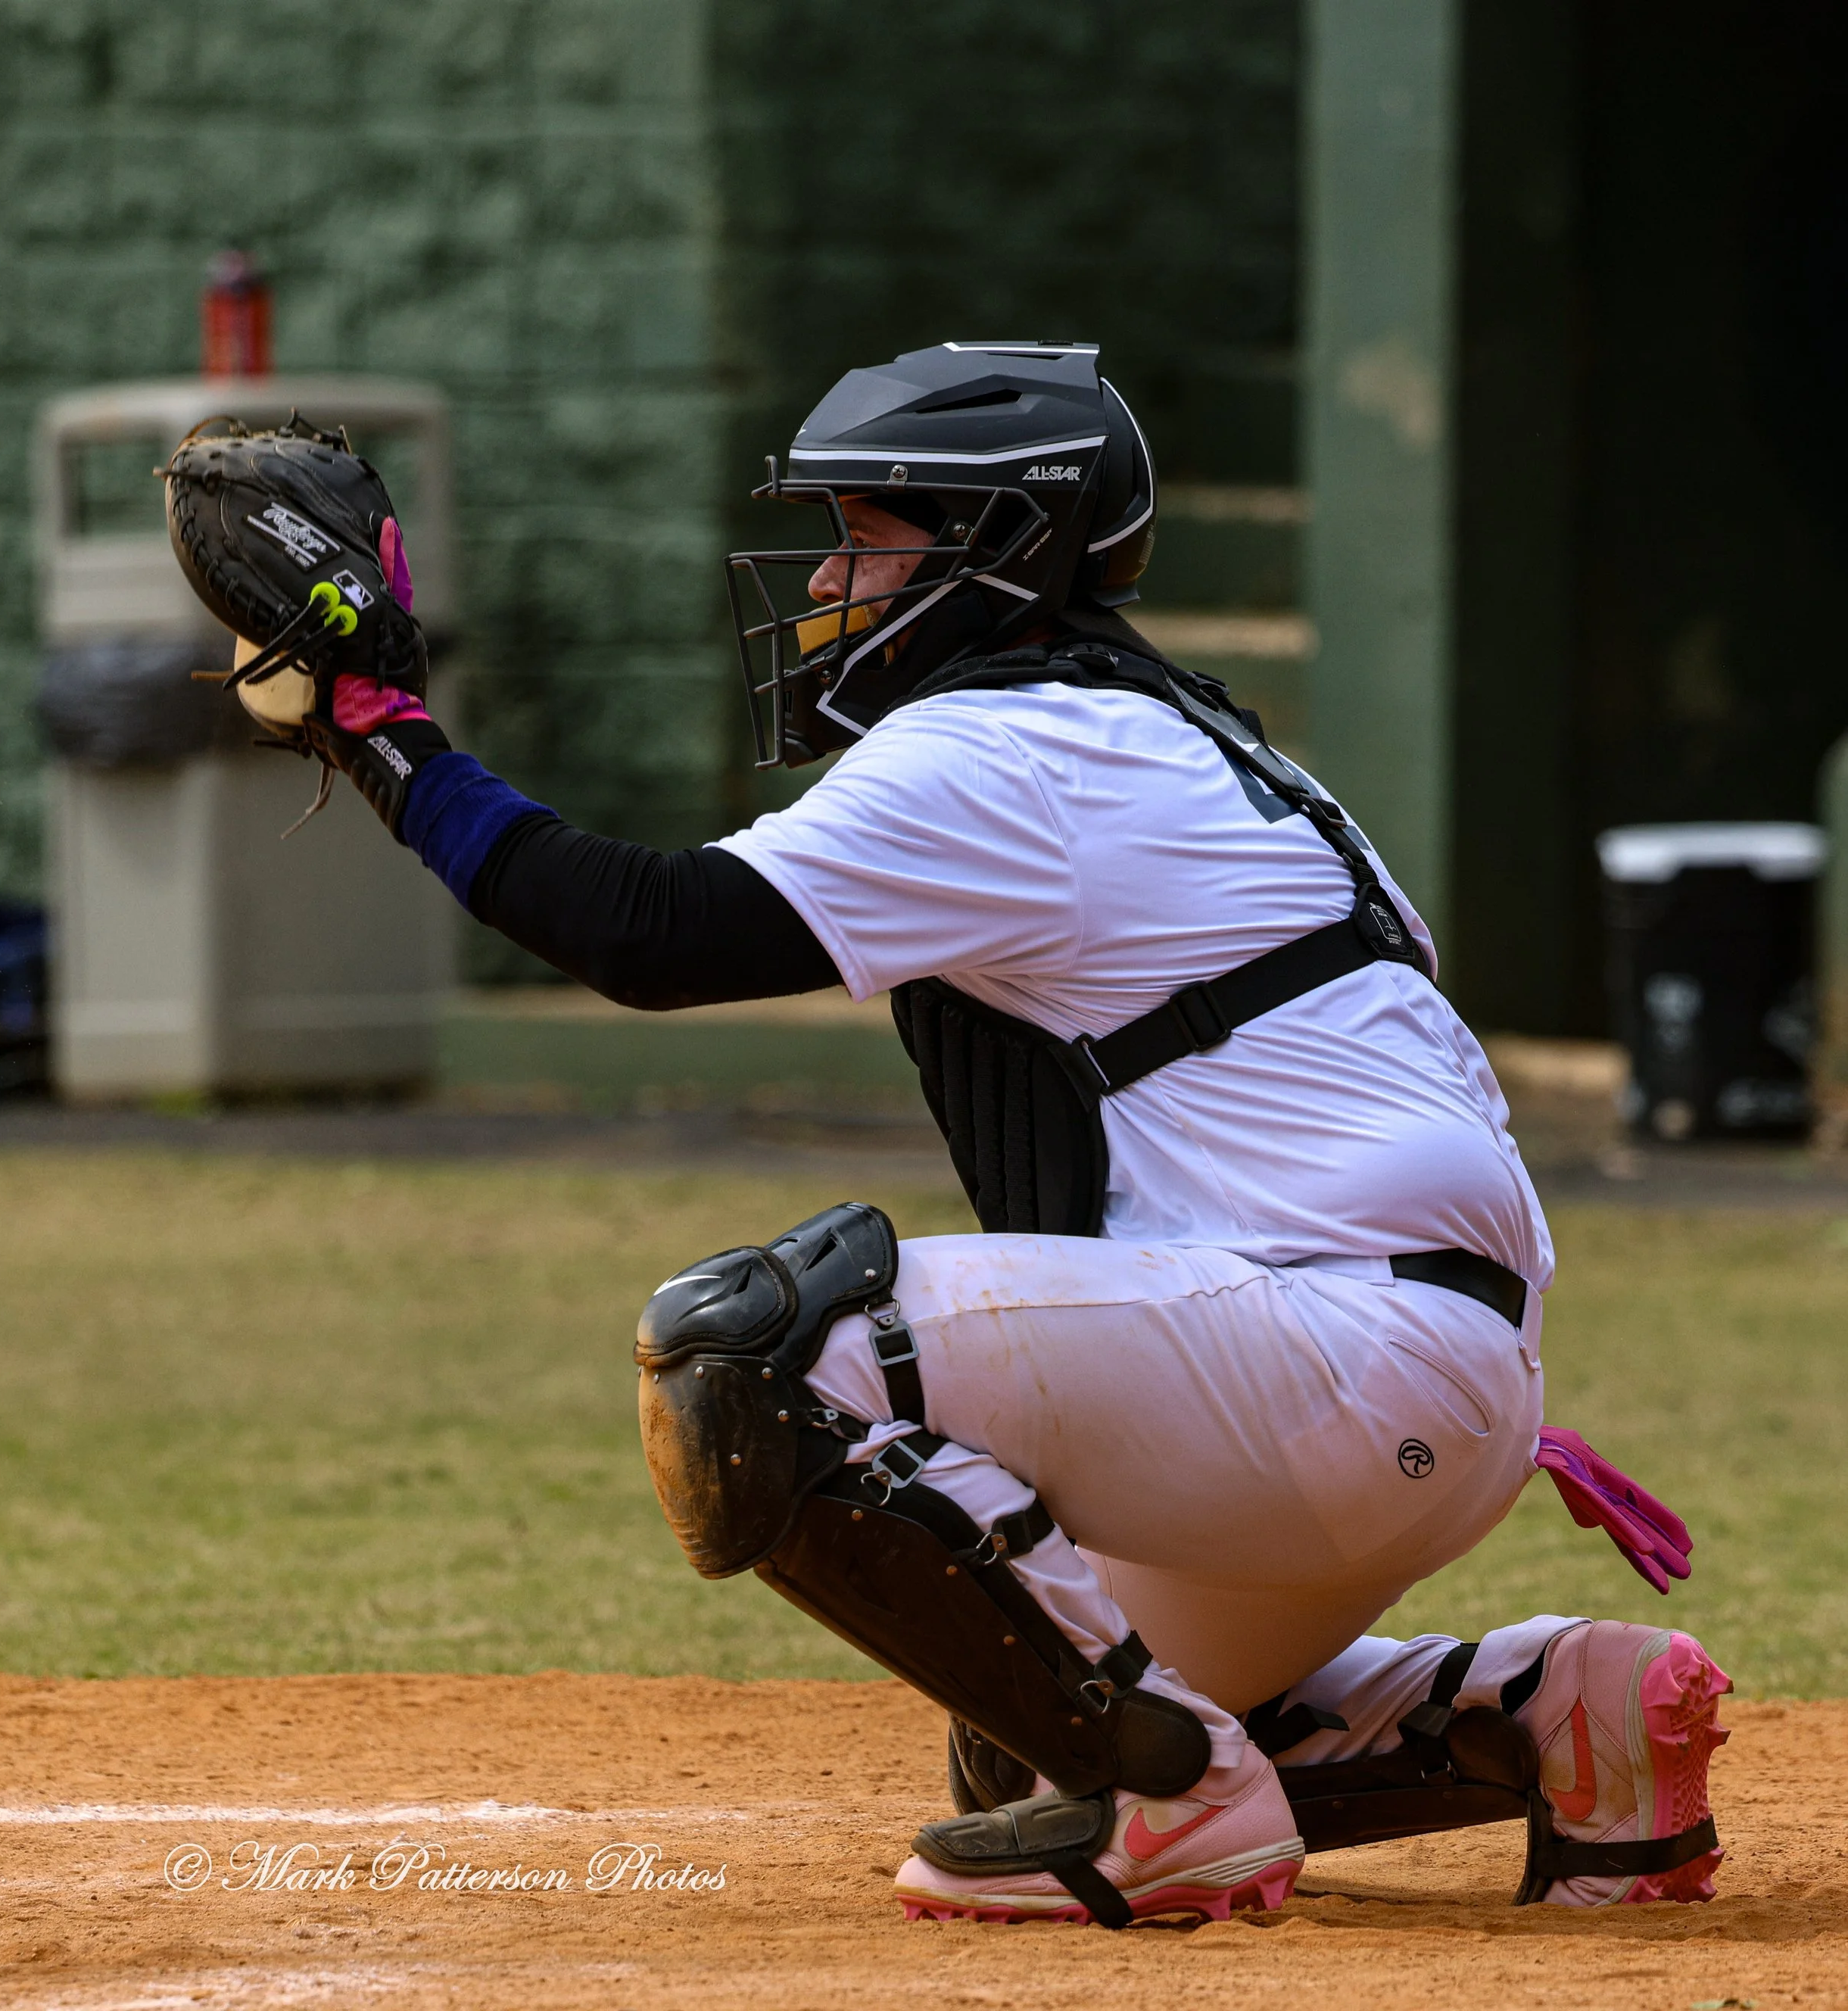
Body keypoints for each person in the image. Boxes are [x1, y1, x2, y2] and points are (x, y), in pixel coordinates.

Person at [311, 341, 1729, 1928]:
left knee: (750, 1350)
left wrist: (383, 726)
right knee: (1021, 1731)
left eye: (871, 533)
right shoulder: (1175, 736)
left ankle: (1175, 1804)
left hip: (1329, 1359)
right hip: (1396, 1370)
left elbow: (646, 931)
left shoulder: (1012, 746)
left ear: (997, 547)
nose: (832, 576)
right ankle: (1549, 1705)